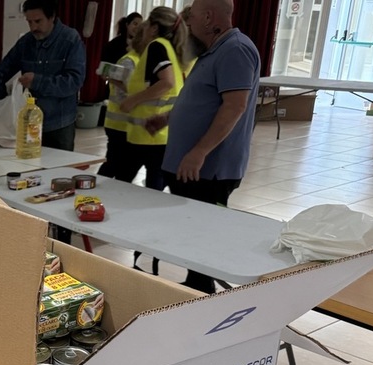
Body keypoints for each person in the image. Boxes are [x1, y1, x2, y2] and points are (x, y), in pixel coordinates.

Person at [148, 0, 260, 294]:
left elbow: (235, 106)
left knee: (202, 235)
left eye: (193, 16)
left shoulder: (235, 49)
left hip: (209, 171)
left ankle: (202, 293)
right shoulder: (214, 49)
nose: (189, 23)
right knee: (191, 232)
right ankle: (194, 287)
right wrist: (167, 118)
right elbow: (202, 100)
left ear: (209, 17)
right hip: (193, 167)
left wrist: (198, 152)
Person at [0, 0, 85, 151]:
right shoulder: (26, 42)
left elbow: (74, 82)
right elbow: (1, 71)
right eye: (29, 22)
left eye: (38, 21)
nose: (33, 27)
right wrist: (2, 104)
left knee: (59, 169)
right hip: (28, 124)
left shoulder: (70, 40)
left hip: (59, 123)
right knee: (29, 169)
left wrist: (37, 81)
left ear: (52, 17)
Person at [117, 7, 186, 191]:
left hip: (147, 133)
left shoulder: (157, 46)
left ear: (154, 28)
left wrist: (133, 101)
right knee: (153, 186)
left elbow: (167, 83)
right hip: (159, 133)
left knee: (121, 182)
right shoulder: (171, 49)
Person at [99, 16, 142, 179]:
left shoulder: (139, 58)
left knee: (122, 166)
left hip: (127, 123)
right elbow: (126, 88)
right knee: (114, 165)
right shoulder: (129, 60)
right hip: (119, 122)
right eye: (134, 24)